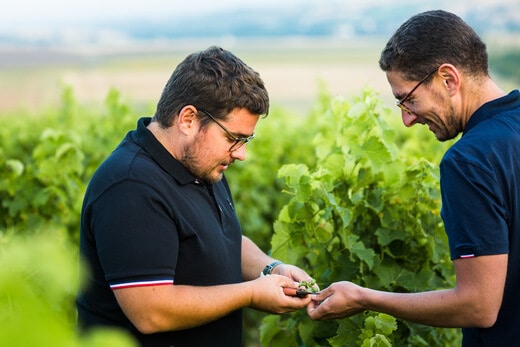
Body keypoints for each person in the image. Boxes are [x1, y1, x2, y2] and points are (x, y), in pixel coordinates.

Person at [76, 46, 314, 347]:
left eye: (246, 140)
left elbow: (220, 240)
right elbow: (151, 311)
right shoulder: (130, 185)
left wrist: (271, 268)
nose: (241, 153)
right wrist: (253, 292)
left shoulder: (201, 164)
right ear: (188, 119)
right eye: (233, 138)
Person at [307, 10, 519, 346]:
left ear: (448, 79)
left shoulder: (470, 160)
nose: (407, 120)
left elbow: (479, 306)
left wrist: (364, 298)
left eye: (408, 99)